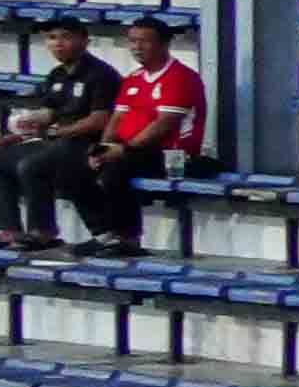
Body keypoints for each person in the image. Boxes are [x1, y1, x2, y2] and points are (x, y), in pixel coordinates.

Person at [37, 20, 204, 249]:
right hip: (131, 150)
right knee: (72, 167)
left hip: (171, 155)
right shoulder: (134, 78)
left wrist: (124, 149)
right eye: (132, 41)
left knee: (116, 169)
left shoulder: (181, 77)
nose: (136, 47)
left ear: (164, 44)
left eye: (144, 41)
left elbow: (164, 124)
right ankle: (104, 234)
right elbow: (116, 118)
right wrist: (103, 147)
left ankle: (128, 238)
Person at [0, 26, 121, 251]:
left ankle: (42, 233)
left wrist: (57, 132)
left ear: (84, 41)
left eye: (66, 37)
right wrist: (13, 137)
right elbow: (48, 114)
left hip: (85, 143)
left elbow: (99, 120)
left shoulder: (101, 74)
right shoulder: (57, 74)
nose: (57, 43)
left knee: (32, 165)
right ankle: (10, 231)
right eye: (51, 38)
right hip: (55, 141)